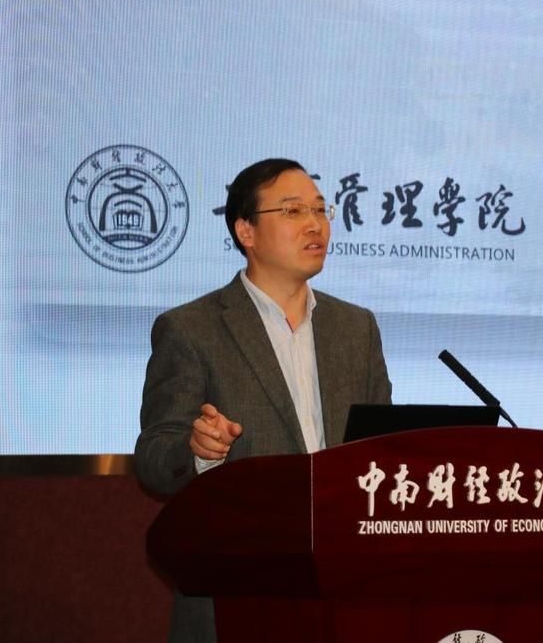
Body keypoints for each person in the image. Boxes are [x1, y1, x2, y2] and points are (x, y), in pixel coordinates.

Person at [135, 158, 392, 642]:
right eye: (293, 211)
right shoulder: (191, 329)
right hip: (240, 593)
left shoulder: (356, 328)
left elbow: (378, 452)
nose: (315, 224)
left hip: (344, 592)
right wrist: (197, 450)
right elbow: (152, 458)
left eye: (320, 209)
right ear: (245, 231)